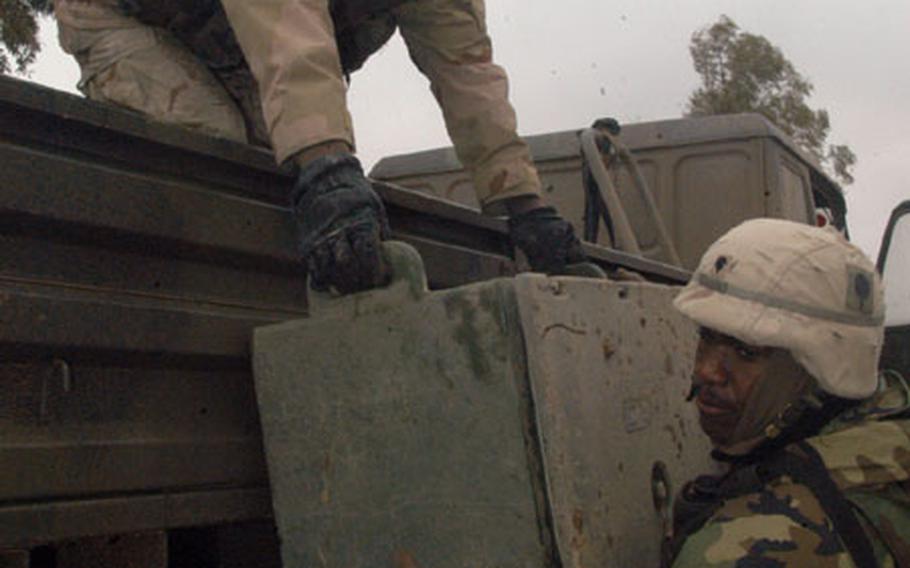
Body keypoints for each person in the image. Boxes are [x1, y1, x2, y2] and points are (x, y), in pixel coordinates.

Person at [53, 0, 586, 294]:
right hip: (123, 15)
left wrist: (523, 204)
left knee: (274, 173)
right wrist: (326, 163)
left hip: (227, 39)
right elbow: (290, 31)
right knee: (221, 146)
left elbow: (465, 67)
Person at [665, 218, 910, 567]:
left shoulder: (741, 549)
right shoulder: (889, 434)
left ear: (822, 371)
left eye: (747, 352)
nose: (706, 371)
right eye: (706, 336)